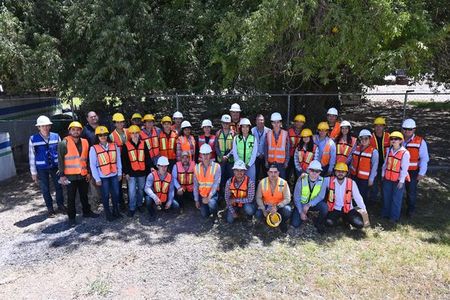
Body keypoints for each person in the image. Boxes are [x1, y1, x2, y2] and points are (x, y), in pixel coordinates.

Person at [58, 121, 99, 226]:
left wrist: (89, 172)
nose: (76, 131)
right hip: (70, 176)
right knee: (71, 198)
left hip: (83, 174)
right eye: (73, 129)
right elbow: (60, 160)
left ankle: (87, 212)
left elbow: (87, 159)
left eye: (78, 129)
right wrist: (62, 175)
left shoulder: (85, 142)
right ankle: (71, 218)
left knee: (84, 195)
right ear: (69, 131)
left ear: (81, 131)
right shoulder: (64, 143)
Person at [29, 115, 65, 217]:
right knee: (45, 189)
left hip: (55, 166)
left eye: (47, 125)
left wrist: (62, 168)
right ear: (38, 127)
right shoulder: (33, 139)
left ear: (50, 126)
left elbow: (61, 153)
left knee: (59, 186)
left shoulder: (56, 136)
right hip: (41, 168)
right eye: (42, 126)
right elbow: (31, 156)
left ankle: (61, 205)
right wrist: (33, 173)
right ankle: (50, 209)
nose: (45, 128)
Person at [89, 126, 122, 221]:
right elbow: (93, 165)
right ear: (97, 136)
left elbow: (118, 160)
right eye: (100, 135)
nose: (103, 136)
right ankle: (108, 213)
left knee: (116, 194)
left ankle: (116, 210)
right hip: (103, 177)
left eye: (105, 134)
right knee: (105, 195)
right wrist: (97, 178)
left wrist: (119, 173)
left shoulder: (114, 146)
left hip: (114, 175)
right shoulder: (93, 149)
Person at [324, 162, 367, 229]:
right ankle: (341, 221)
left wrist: (365, 215)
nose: (340, 173)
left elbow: (358, 198)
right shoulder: (328, 180)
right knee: (328, 222)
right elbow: (317, 179)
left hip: (349, 209)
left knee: (360, 224)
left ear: (346, 173)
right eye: (338, 171)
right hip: (335, 209)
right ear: (334, 172)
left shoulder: (352, 183)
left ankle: (346, 219)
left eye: (343, 171)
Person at [122, 125, 152, 217]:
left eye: (136, 133)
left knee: (141, 190)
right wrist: (126, 172)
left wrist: (150, 167)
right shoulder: (126, 145)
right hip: (131, 173)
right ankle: (132, 208)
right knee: (131, 191)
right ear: (130, 134)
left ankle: (139, 205)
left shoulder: (143, 144)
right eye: (132, 133)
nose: (135, 135)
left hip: (142, 172)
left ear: (139, 134)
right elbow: (124, 160)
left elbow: (147, 157)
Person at [402, 118, 429, 217]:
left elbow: (424, 158)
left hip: (413, 172)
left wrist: (421, 173)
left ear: (414, 129)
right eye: (405, 129)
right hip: (399, 170)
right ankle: (397, 208)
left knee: (411, 192)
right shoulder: (398, 139)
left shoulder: (420, 141)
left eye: (410, 129)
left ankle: (411, 210)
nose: (407, 131)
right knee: (398, 190)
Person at [291, 160, 328, 233]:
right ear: (308, 170)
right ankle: (301, 214)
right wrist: (301, 211)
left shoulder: (323, 181)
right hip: (301, 204)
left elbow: (321, 196)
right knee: (295, 224)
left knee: (324, 207)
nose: (314, 172)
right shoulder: (301, 179)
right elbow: (296, 197)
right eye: (312, 170)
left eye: (317, 171)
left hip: (312, 204)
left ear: (320, 172)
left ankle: (318, 222)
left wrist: (309, 204)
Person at [381, 131, 410, 222]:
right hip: (387, 178)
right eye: (392, 139)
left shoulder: (405, 153)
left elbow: (405, 168)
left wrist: (402, 181)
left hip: (397, 180)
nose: (393, 140)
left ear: (401, 141)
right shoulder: (389, 150)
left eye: (396, 139)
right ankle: (385, 214)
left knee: (396, 199)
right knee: (387, 197)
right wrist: (382, 174)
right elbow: (385, 164)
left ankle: (394, 217)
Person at [255, 164, 292, 232]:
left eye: (275, 172)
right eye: (271, 172)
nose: (273, 174)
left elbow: (288, 198)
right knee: (258, 214)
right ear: (268, 173)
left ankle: (281, 221)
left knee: (287, 210)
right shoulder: (262, 182)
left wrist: (277, 207)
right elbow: (258, 197)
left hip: (279, 206)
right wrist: (263, 209)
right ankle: (266, 220)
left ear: (278, 173)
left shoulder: (283, 183)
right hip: (266, 206)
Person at [144, 156, 179, 221]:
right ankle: (152, 214)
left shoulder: (170, 176)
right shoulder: (151, 175)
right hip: (155, 198)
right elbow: (147, 188)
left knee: (176, 206)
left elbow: (171, 191)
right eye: (161, 166)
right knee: (148, 199)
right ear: (157, 166)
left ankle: (164, 207)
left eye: (165, 166)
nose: (163, 168)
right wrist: (155, 197)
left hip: (164, 198)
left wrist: (169, 201)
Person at [350, 129, 379, 204]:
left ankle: (362, 212)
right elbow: (352, 160)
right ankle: (353, 210)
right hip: (354, 177)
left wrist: (371, 179)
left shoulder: (374, 151)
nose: (364, 140)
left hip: (365, 179)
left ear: (369, 139)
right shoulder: (356, 148)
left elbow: (374, 166)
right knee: (354, 194)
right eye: (361, 138)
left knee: (362, 196)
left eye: (366, 138)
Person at [194, 144, 222, 219]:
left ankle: (215, 214)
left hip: (212, 195)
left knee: (212, 203)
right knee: (205, 215)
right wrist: (196, 200)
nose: (205, 156)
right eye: (203, 154)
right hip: (202, 195)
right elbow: (196, 185)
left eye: (207, 154)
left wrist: (209, 197)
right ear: (201, 155)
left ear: (210, 154)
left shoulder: (217, 166)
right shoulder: (196, 168)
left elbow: (216, 184)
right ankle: (209, 209)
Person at [109, 112, 128, 210]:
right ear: (115, 123)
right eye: (118, 122)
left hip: (129, 160)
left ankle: (130, 201)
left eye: (122, 122)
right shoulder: (111, 136)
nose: (120, 124)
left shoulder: (128, 131)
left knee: (130, 182)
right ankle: (121, 203)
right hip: (118, 161)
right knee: (119, 183)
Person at [369, 117, 390, 202]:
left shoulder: (389, 137)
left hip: (385, 166)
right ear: (374, 127)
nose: (378, 128)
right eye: (376, 126)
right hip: (374, 166)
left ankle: (384, 202)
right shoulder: (370, 137)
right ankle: (372, 202)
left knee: (384, 185)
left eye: (380, 126)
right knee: (373, 185)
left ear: (384, 127)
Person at [232, 118, 258, 182]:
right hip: (239, 166)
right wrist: (240, 165)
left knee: (251, 182)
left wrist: (248, 164)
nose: (245, 129)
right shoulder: (236, 138)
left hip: (250, 165)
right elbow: (235, 152)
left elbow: (254, 153)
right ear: (240, 128)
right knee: (239, 182)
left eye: (247, 127)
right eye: (243, 127)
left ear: (249, 128)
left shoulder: (253, 138)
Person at [215, 114, 235, 198]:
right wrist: (221, 155)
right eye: (224, 123)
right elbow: (216, 146)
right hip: (221, 160)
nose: (225, 125)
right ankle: (220, 197)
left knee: (230, 179)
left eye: (227, 123)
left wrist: (228, 155)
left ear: (230, 123)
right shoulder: (218, 133)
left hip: (230, 160)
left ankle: (230, 196)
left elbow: (235, 147)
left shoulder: (233, 133)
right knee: (221, 179)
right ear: (222, 123)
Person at [265, 112, 289, 179]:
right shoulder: (268, 134)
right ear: (271, 123)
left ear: (280, 123)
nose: (276, 124)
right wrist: (266, 161)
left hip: (281, 163)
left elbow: (287, 149)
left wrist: (286, 161)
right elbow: (266, 148)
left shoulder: (285, 134)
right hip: (271, 162)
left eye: (278, 122)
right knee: (271, 180)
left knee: (282, 181)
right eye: (274, 122)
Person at [286, 114, 305, 183]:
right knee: (287, 174)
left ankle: (295, 191)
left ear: (303, 123)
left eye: (301, 122)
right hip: (290, 156)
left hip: (299, 157)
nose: (298, 123)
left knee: (298, 175)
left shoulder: (304, 132)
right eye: (297, 121)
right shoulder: (289, 131)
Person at [251, 114, 270, 181]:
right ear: (256, 121)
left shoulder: (269, 131)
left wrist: (263, 154)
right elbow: (250, 145)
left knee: (266, 174)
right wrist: (258, 154)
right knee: (255, 174)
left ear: (264, 121)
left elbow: (269, 145)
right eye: (258, 120)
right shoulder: (252, 131)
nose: (260, 121)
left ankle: (266, 190)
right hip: (255, 157)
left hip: (266, 157)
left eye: (261, 120)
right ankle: (255, 189)